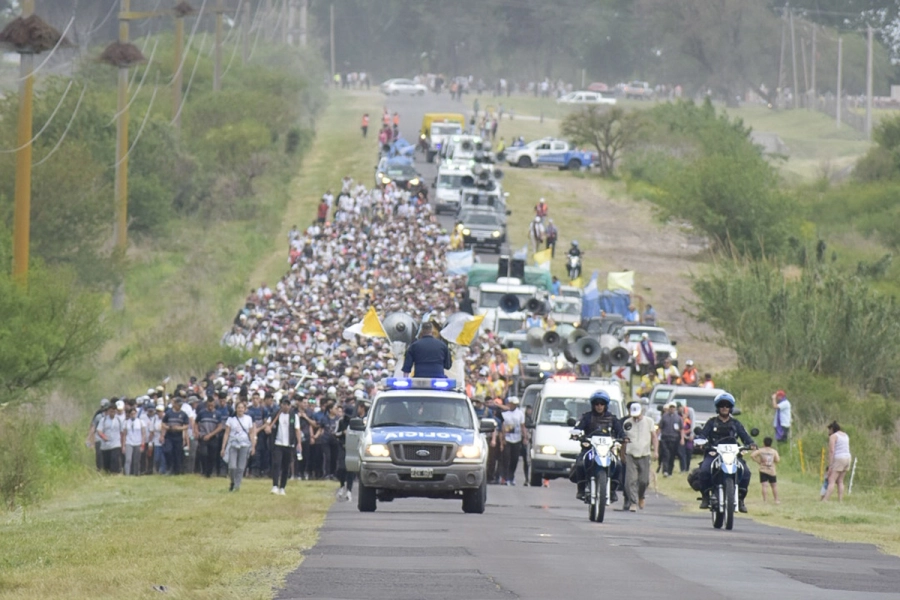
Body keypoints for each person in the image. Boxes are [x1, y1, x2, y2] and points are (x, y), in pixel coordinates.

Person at [697, 392, 757, 513]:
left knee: (746, 472)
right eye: (722, 405)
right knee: (704, 469)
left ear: (731, 408)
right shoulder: (711, 422)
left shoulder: (736, 423)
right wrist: (702, 443)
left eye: (727, 405)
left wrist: (751, 444)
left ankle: (740, 499)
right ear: (717, 407)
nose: (724, 407)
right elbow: (702, 435)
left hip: (733, 453)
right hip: (714, 452)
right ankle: (705, 496)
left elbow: (745, 436)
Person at [570, 391, 624, 501]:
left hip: (607, 450)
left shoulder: (612, 418)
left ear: (606, 405)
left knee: (618, 464)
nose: (599, 406)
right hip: (589, 449)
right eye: (597, 404)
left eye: (602, 404)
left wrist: (624, 437)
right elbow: (578, 428)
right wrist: (576, 434)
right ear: (593, 405)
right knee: (580, 463)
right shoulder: (587, 417)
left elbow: (620, 431)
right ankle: (581, 489)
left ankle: (613, 490)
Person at [621, 402, 658, 511]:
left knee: (644, 480)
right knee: (630, 480)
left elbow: (654, 437)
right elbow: (624, 439)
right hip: (631, 454)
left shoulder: (649, 422)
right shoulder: (627, 423)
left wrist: (656, 451)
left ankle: (641, 496)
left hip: (644, 454)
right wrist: (622, 453)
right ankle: (633, 502)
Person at [265, 396, 300, 495]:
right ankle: (275, 485)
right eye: (284, 404)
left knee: (286, 466)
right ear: (281, 404)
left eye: (288, 404)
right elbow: (268, 424)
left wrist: (299, 443)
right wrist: (268, 428)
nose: (286, 406)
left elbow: (297, 430)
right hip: (278, 443)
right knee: (276, 464)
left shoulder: (294, 416)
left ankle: (282, 487)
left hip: (289, 444)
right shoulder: (275, 414)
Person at [220, 400, 257, 492]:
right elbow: (226, 433)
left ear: (244, 409)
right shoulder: (231, 420)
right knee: (232, 466)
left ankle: (237, 485)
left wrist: (253, 446)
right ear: (236, 409)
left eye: (242, 408)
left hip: (244, 444)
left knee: (241, 467)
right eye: (238, 408)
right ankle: (232, 481)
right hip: (233, 444)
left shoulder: (248, 419)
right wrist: (223, 447)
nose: (240, 409)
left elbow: (251, 433)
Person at [822, 421, 851, 502]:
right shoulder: (845, 435)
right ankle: (840, 500)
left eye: (829, 430)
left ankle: (825, 499)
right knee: (840, 480)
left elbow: (831, 451)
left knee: (831, 479)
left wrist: (830, 466)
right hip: (848, 458)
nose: (829, 432)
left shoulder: (833, 436)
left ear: (832, 429)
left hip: (839, 458)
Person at [161, 396, 191, 475]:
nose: (180, 406)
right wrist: (168, 427)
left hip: (178, 436)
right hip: (169, 435)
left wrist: (179, 428)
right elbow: (163, 423)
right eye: (178, 404)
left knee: (177, 453)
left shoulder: (183, 414)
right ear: (175, 404)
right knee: (168, 451)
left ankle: (177, 470)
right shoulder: (169, 413)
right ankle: (169, 467)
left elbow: (186, 425)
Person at [195, 397, 224, 478]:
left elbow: (220, 427)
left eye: (212, 405)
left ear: (214, 404)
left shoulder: (218, 414)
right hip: (203, 436)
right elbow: (196, 422)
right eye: (209, 405)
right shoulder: (202, 413)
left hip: (213, 437)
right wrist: (197, 431)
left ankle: (209, 473)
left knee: (212, 456)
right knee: (203, 454)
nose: (210, 407)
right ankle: (204, 470)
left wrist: (210, 435)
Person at [500, 396, 526, 485]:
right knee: (506, 458)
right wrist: (502, 439)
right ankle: (505, 477)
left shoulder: (520, 413)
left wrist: (525, 437)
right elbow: (502, 427)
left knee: (514, 459)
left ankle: (512, 476)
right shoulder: (505, 414)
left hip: (517, 439)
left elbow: (523, 426)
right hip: (507, 439)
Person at [750, 437, 780, 504]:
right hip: (772, 470)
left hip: (763, 469)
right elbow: (777, 460)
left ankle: (765, 500)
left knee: (764, 485)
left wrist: (758, 461)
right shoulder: (773, 451)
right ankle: (776, 499)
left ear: (764, 443)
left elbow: (752, 455)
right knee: (774, 485)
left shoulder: (761, 450)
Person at [97, 402, 125, 474]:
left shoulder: (119, 420)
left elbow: (122, 433)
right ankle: (108, 473)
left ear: (116, 411)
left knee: (114, 460)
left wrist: (123, 444)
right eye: (110, 411)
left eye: (113, 411)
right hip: (105, 445)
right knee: (107, 463)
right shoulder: (103, 420)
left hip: (116, 444)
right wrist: (103, 437)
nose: (112, 413)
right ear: (108, 411)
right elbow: (99, 430)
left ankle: (115, 473)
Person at [657, 402, 683, 477]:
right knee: (666, 454)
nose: (672, 409)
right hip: (665, 438)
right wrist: (656, 437)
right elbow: (660, 428)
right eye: (671, 407)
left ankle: (670, 471)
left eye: (673, 407)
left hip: (674, 439)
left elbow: (681, 429)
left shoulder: (678, 418)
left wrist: (682, 439)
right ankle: (665, 470)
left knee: (672, 456)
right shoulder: (664, 417)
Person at [123, 407, 147, 476]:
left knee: (137, 460)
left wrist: (142, 444)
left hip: (138, 442)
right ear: (129, 414)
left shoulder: (140, 422)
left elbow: (143, 434)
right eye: (131, 414)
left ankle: (136, 473)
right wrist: (124, 445)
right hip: (129, 442)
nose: (133, 415)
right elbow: (124, 434)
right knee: (128, 459)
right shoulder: (126, 422)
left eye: (134, 413)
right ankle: (127, 473)